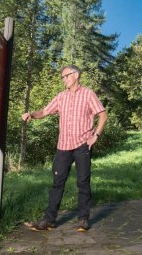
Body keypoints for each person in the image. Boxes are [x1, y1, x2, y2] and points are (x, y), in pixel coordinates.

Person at [21, 65, 108, 232]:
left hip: (83, 144)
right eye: (62, 77)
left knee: (83, 182)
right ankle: (49, 220)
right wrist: (31, 114)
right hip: (63, 146)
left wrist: (95, 135)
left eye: (66, 76)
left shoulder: (88, 94)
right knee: (57, 182)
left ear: (76, 75)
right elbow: (45, 111)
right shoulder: (61, 97)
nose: (64, 79)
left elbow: (102, 114)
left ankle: (83, 219)